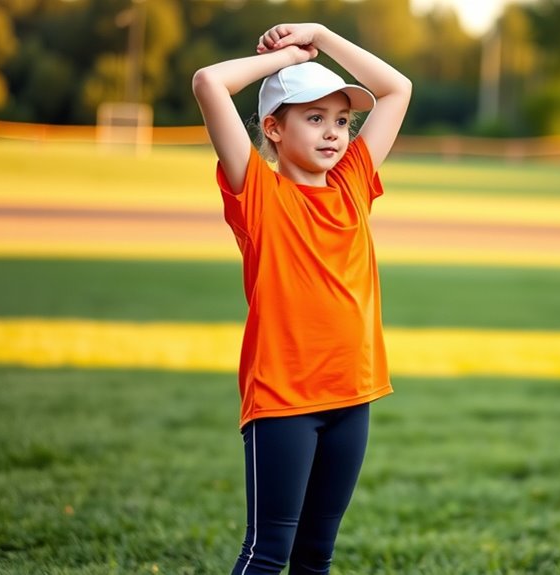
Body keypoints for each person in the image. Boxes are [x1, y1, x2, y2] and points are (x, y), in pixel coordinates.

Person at [191, 22, 411, 575]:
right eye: (314, 118)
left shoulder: (354, 181)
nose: (334, 133)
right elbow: (209, 83)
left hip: (351, 396)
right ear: (273, 127)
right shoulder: (259, 193)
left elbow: (396, 89)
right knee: (268, 554)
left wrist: (323, 37)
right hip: (284, 401)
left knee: (317, 556)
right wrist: (286, 58)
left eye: (341, 120)